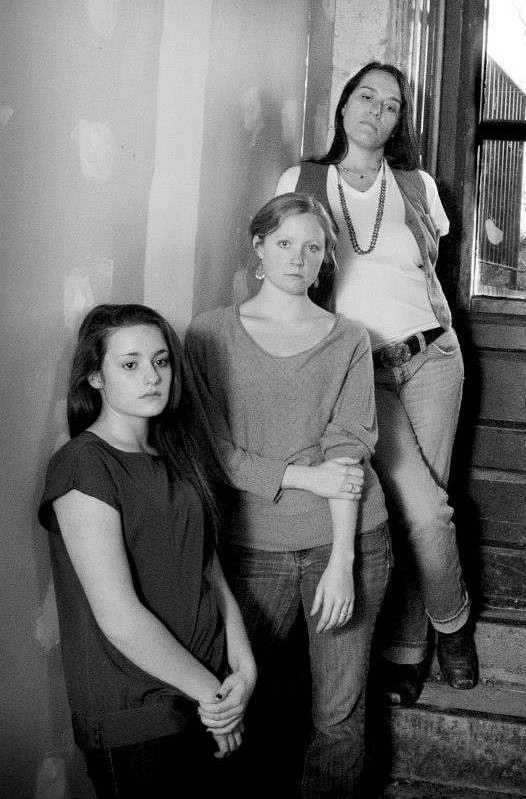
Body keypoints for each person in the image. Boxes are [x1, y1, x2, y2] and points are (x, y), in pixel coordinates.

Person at [276, 61, 475, 705]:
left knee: (428, 506)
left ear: (397, 122)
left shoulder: (416, 185)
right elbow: (290, 268)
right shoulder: (303, 180)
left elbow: (428, 271)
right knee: (418, 508)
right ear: (343, 106)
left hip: (433, 358)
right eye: (366, 97)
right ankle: (453, 624)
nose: (376, 111)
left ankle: (408, 654)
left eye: (390, 105)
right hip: (361, 369)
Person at [185, 193, 391, 797]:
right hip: (253, 546)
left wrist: (343, 562)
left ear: (326, 257)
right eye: (283, 244)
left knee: (337, 715)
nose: (298, 258)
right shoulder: (209, 334)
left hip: (348, 540)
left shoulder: (349, 338)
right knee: (233, 698)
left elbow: (347, 455)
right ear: (258, 248)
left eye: (312, 247)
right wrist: (303, 477)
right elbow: (213, 451)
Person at [39, 304, 256, 798]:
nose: (152, 376)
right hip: (139, 719)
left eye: (161, 361)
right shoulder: (83, 464)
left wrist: (243, 672)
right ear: (96, 376)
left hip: (208, 696)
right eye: (130, 364)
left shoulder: (176, 455)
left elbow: (210, 574)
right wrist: (213, 697)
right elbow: (118, 615)